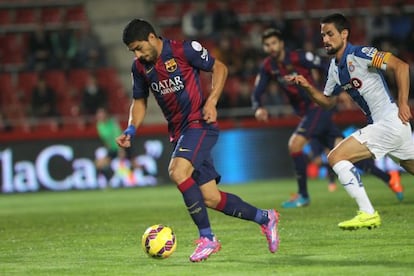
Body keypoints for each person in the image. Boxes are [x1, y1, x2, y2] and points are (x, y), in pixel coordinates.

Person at [116, 19, 279, 262]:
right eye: (133, 51)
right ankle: (265, 218)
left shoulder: (184, 50)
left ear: (152, 37)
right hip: (178, 133)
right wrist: (131, 129)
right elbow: (139, 101)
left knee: (177, 171)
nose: (138, 54)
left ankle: (208, 238)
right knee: (210, 197)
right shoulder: (139, 68)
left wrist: (212, 101)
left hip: (199, 123)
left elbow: (220, 68)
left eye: (139, 48)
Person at [286, 13, 414, 230]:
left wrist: (403, 103)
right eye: (322, 35)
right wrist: (307, 86)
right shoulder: (335, 69)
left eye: (330, 34)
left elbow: (400, 67)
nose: (325, 39)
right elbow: (327, 103)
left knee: (336, 156)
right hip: (390, 127)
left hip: (390, 121)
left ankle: (367, 213)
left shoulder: (360, 53)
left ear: (344, 34)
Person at [251, 28, 404, 209]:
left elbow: (327, 66)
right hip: (308, 114)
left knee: (295, 145)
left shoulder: (299, 58)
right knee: (344, 154)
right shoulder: (268, 66)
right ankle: (389, 178)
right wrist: (258, 107)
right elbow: (258, 90)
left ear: (281, 44)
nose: (271, 48)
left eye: (274, 43)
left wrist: (336, 92)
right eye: (267, 45)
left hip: (316, 109)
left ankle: (303, 195)